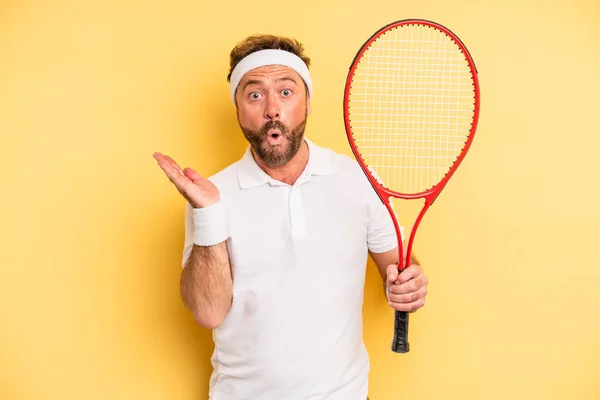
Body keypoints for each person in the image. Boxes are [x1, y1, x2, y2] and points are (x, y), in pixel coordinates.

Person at [153, 34, 429, 400]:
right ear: (237, 108)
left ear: (308, 102)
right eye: (254, 94)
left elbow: (396, 265)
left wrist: (408, 283)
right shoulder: (210, 195)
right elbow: (208, 313)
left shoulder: (358, 180)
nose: (272, 109)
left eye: (286, 92)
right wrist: (209, 215)